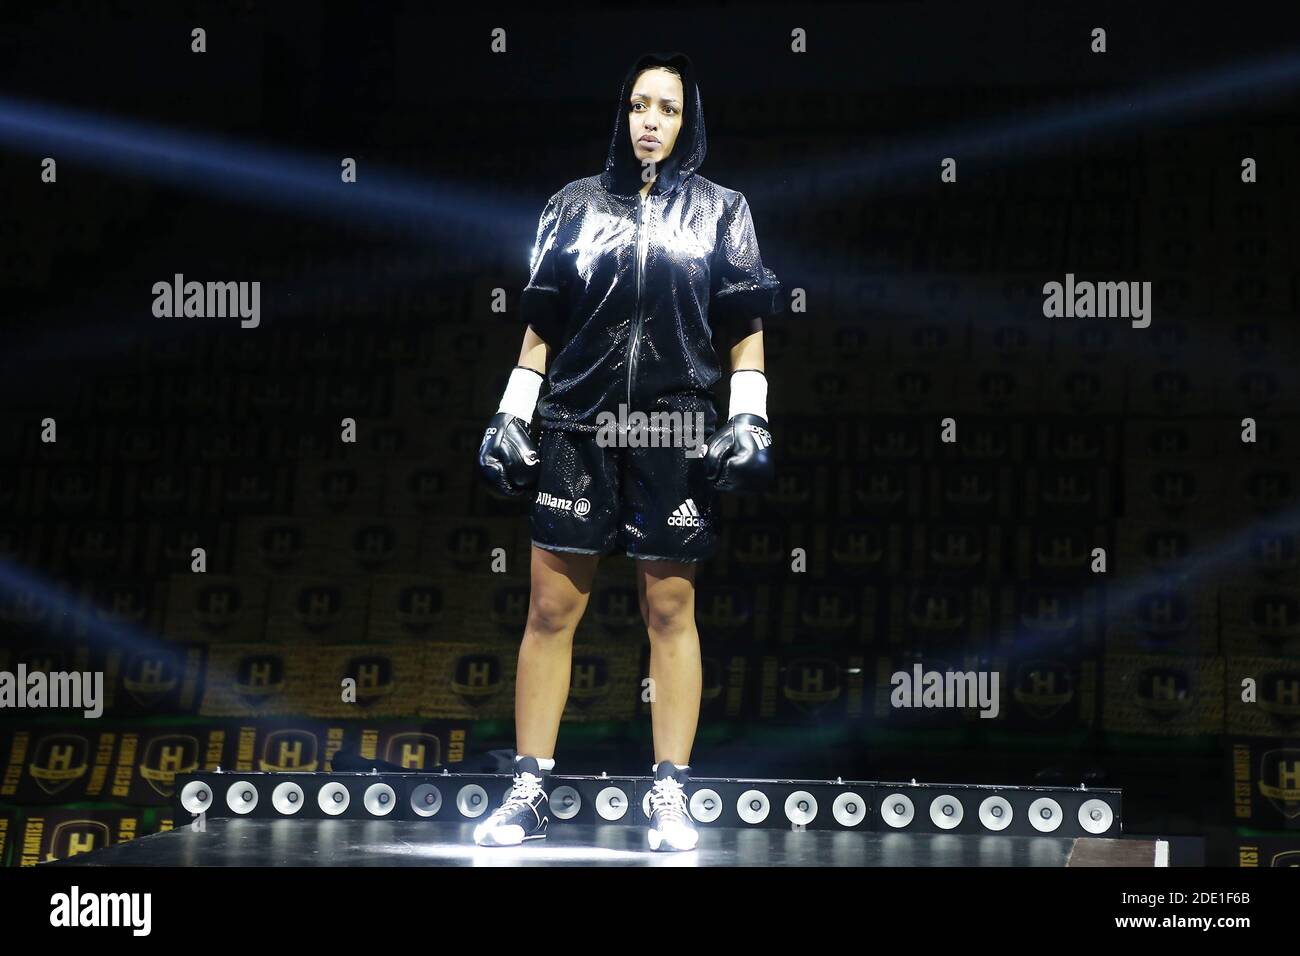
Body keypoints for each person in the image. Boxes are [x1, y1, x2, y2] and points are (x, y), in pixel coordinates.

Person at [475, 51, 782, 851]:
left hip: (675, 427)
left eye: (668, 109)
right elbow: (542, 321)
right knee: (549, 611)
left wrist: (750, 417)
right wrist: (511, 413)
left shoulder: (724, 210)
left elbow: (744, 322)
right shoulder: (571, 205)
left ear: (689, 122)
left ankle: (670, 793)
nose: (652, 121)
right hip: (577, 425)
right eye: (641, 105)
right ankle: (528, 790)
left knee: (670, 612)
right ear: (624, 113)